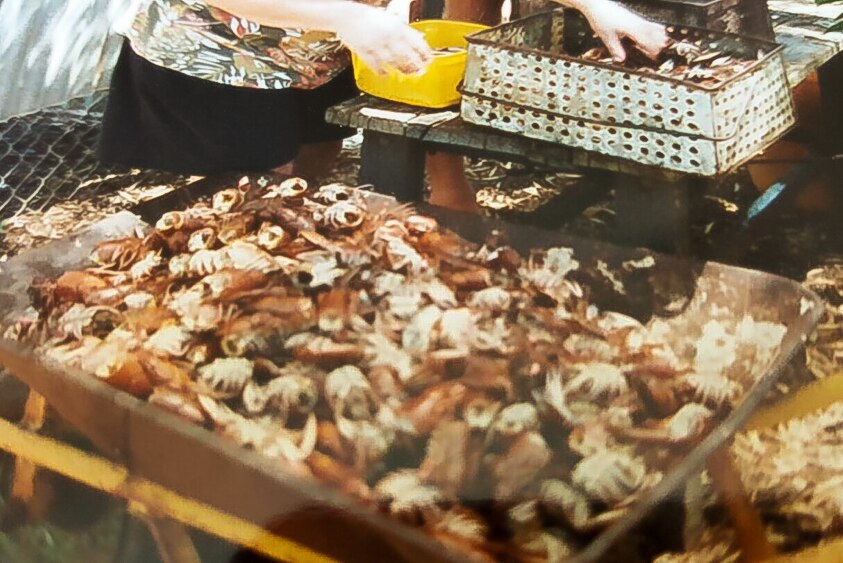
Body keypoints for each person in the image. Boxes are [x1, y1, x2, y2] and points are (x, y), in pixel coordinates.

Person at [99, 0, 667, 211]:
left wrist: (595, 6)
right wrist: (348, 15)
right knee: (240, 205)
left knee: (300, 183)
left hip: (320, 55)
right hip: (218, 63)